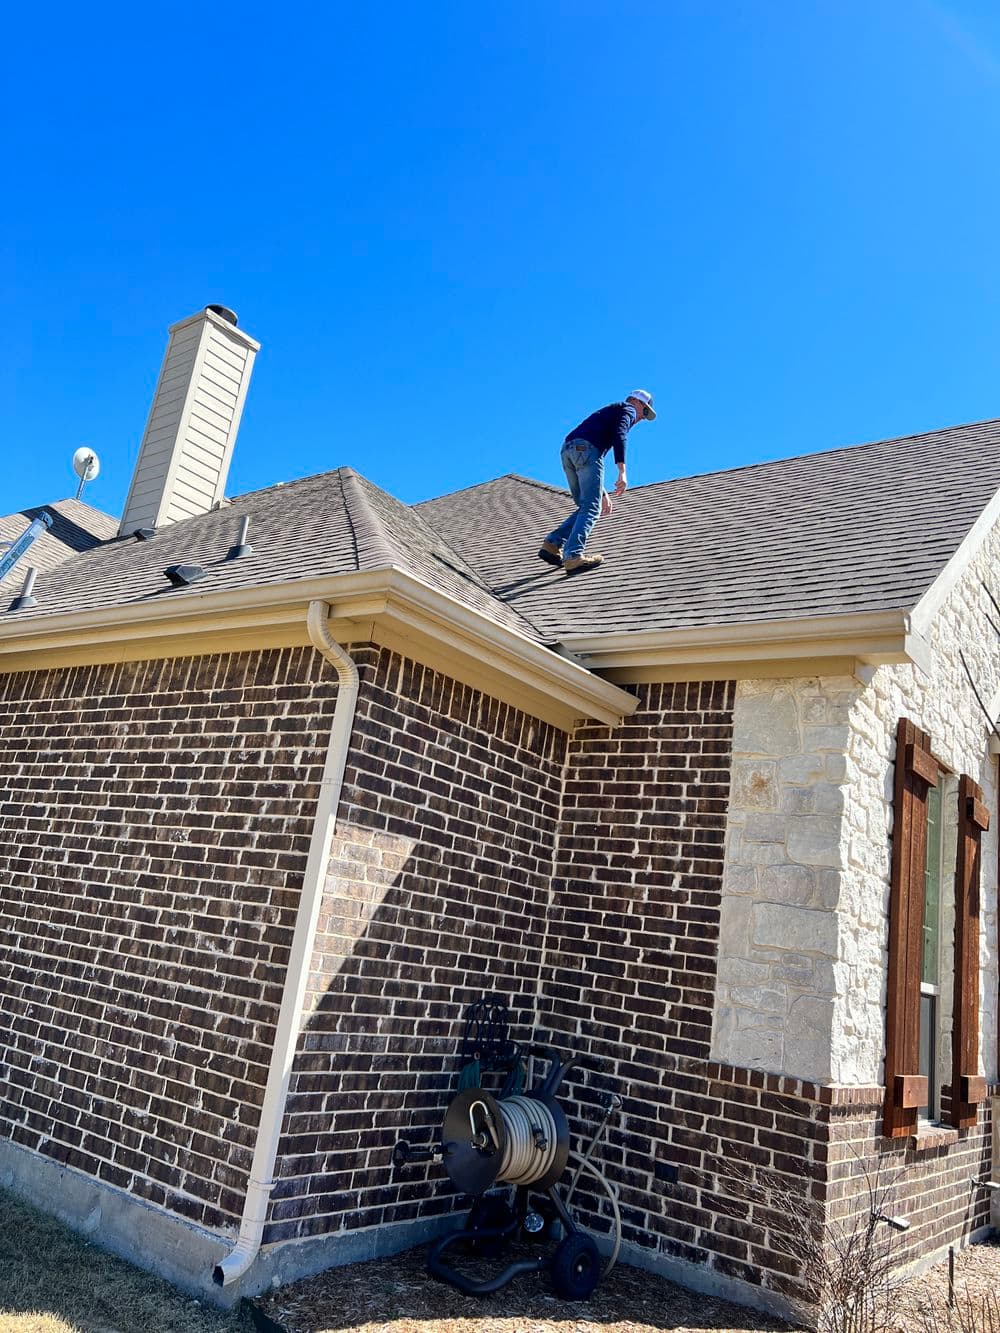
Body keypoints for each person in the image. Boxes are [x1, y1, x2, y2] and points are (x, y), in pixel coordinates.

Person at [538, 390, 656, 574]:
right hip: (586, 450)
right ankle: (573, 556)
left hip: (568, 451)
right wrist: (622, 472)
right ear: (636, 402)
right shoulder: (628, 409)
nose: (641, 418)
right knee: (592, 508)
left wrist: (602, 491)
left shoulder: (612, 411)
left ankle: (551, 545)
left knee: (586, 505)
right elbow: (620, 434)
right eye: (645, 411)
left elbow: (587, 451)